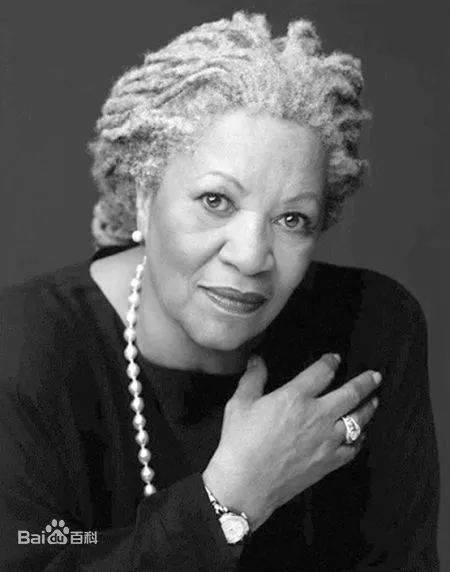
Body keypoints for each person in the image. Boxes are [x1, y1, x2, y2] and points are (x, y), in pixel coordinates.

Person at [0, 11, 439, 571]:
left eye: (292, 219)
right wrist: (230, 499)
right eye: (216, 201)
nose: (251, 256)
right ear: (144, 197)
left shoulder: (371, 328)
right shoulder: (24, 350)